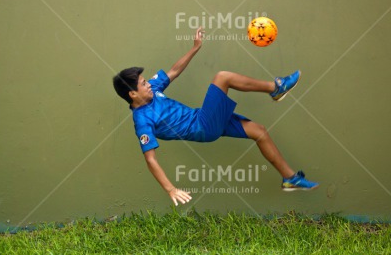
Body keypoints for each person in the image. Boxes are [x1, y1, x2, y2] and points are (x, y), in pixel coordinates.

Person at [112, 27, 319, 206]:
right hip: (203, 127)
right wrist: (170, 189)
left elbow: (174, 71)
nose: (148, 84)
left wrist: (195, 48)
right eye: (143, 83)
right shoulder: (142, 120)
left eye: (146, 80)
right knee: (222, 77)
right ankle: (276, 87)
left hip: (203, 118)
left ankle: (290, 178)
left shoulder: (153, 89)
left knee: (259, 131)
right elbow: (150, 160)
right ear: (132, 94)